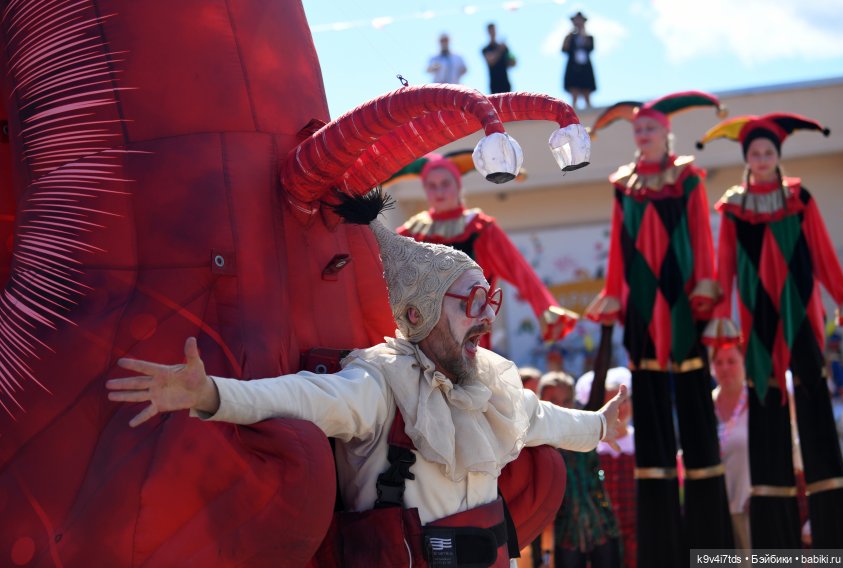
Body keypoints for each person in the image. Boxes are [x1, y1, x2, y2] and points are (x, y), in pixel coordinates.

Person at [107, 190, 628, 568]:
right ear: (419, 314)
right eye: (471, 301)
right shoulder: (379, 382)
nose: (487, 316)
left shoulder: (491, 384)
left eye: (489, 299)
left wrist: (603, 426)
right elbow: (301, 396)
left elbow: (545, 420)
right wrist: (212, 394)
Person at [585, 91, 734, 567]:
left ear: (666, 133)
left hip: (684, 306)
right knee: (650, 428)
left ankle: (711, 550)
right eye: (638, 130)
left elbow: (699, 233)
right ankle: (663, 555)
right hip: (643, 313)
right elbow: (617, 248)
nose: (644, 136)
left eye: (650, 129)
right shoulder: (623, 184)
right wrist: (612, 294)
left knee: (695, 413)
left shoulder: (687, 177)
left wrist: (706, 287)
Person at [697, 112, 843, 549]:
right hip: (757, 319)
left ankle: (834, 536)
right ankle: (775, 543)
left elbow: (821, 248)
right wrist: (721, 315)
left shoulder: (800, 198)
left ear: (777, 155)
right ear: (747, 157)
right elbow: (724, 262)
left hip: (800, 312)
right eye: (755, 153)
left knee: (815, 401)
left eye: (768, 152)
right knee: (764, 403)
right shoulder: (733, 205)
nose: (762, 159)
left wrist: (842, 295)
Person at [396, 151, 578, 345]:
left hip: (471, 334)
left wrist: (545, 307)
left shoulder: (480, 228)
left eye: (445, 184)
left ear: (458, 186)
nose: (439, 192)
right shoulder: (410, 232)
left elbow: (517, 268)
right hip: (424, 335)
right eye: (432, 186)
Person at [541, 371, 621, 568]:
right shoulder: (536, 442)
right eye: (553, 400)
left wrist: (606, 338)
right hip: (565, 533)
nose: (560, 406)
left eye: (567, 400)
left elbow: (599, 379)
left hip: (602, 526)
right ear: (540, 400)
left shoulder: (585, 428)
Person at [576, 367, 636, 568]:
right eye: (613, 402)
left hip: (637, 535)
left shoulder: (641, 443)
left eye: (624, 401)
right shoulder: (590, 446)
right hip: (600, 537)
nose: (621, 408)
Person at [711, 345, 751, 554]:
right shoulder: (706, 407)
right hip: (716, 515)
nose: (725, 368)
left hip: (751, 510)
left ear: (744, 363)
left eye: (732, 361)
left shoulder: (758, 402)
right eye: (719, 362)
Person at [561, 12, 596, 110]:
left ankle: (589, 107)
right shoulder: (569, 37)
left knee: (586, 86)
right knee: (574, 86)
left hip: (585, 65)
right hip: (573, 65)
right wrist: (570, 36)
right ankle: (574, 107)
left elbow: (591, 48)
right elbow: (564, 49)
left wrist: (583, 33)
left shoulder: (588, 37)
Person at [482, 22, 514, 94]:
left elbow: (512, 64)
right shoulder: (485, 49)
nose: (492, 32)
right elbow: (491, 61)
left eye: (494, 30)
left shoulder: (504, 48)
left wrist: (511, 57)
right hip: (494, 85)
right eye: (491, 30)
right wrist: (500, 49)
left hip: (505, 84)